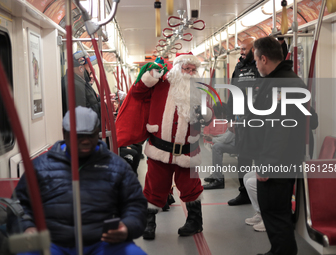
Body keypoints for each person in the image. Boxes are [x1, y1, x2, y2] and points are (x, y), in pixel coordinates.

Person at [7, 106, 147, 255]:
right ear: (65, 134)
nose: (85, 141)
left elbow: (135, 205)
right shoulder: (40, 167)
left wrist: (126, 227)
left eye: (90, 135)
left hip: (102, 243)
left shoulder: (118, 167)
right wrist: (27, 227)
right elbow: (19, 205)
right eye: (79, 136)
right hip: (52, 242)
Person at [116, 53, 213, 240]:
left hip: (187, 151)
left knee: (191, 187)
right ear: (177, 69)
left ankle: (195, 222)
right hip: (160, 148)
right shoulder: (160, 83)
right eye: (186, 68)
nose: (190, 73)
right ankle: (149, 223)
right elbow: (137, 92)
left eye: (193, 70)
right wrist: (150, 75)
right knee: (154, 187)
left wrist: (205, 113)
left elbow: (210, 114)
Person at [241, 36, 307, 255]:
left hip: (278, 162)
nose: (256, 65)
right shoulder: (285, 80)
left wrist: (267, 163)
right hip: (282, 159)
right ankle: (278, 250)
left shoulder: (282, 84)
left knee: (275, 212)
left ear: (264, 58)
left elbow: (279, 129)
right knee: (275, 212)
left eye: (257, 60)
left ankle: (283, 252)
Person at [204, 38, 262, 199]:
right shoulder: (239, 67)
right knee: (243, 157)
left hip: (257, 120)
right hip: (240, 119)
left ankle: (258, 193)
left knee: (258, 157)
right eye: (241, 49)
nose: (242, 52)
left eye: (245, 49)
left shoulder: (259, 67)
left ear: (254, 50)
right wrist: (230, 118)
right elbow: (232, 93)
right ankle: (244, 192)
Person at [203, 103, 236, 189]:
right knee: (217, 146)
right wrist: (214, 137)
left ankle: (218, 179)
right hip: (235, 143)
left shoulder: (234, 119)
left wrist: (212, 139)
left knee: (217, 147)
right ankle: (216, 174)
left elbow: (227, 139)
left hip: (239, 146)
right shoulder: (231, 118)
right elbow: (226, 135)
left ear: (221, 113)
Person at [61, 52, 100, 119]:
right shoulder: (73, 85)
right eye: (89, 66)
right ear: (80, 69)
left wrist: (103, 99)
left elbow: (90, 100)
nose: (91, 69)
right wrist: (103, 105)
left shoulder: (81, 82)